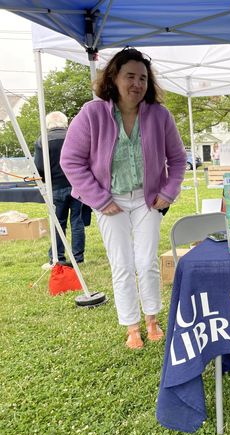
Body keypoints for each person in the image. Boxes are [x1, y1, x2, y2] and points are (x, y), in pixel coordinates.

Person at [61, 47, 187, 350]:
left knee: (146, 262)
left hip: (147, 200)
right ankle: (132, 326)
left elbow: (179, 159)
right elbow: (71, 161)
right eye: (130, 76)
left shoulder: (160, 115)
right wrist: (99, 199)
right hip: (110, 200)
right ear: (114, 77)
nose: (137, 83)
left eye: (143, 78)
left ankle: (152, 318)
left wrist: (168, 192)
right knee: (122, 264)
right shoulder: (92, 114)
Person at [34, 111, 86, 266]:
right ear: (65, 123)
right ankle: (78, 258)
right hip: (77, 185)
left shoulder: (42, 141)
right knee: (77, 222)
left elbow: (39, 167)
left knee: (58, 223)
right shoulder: (75, 136)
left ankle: (58, 258)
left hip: (55, 187)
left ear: (47, 124)